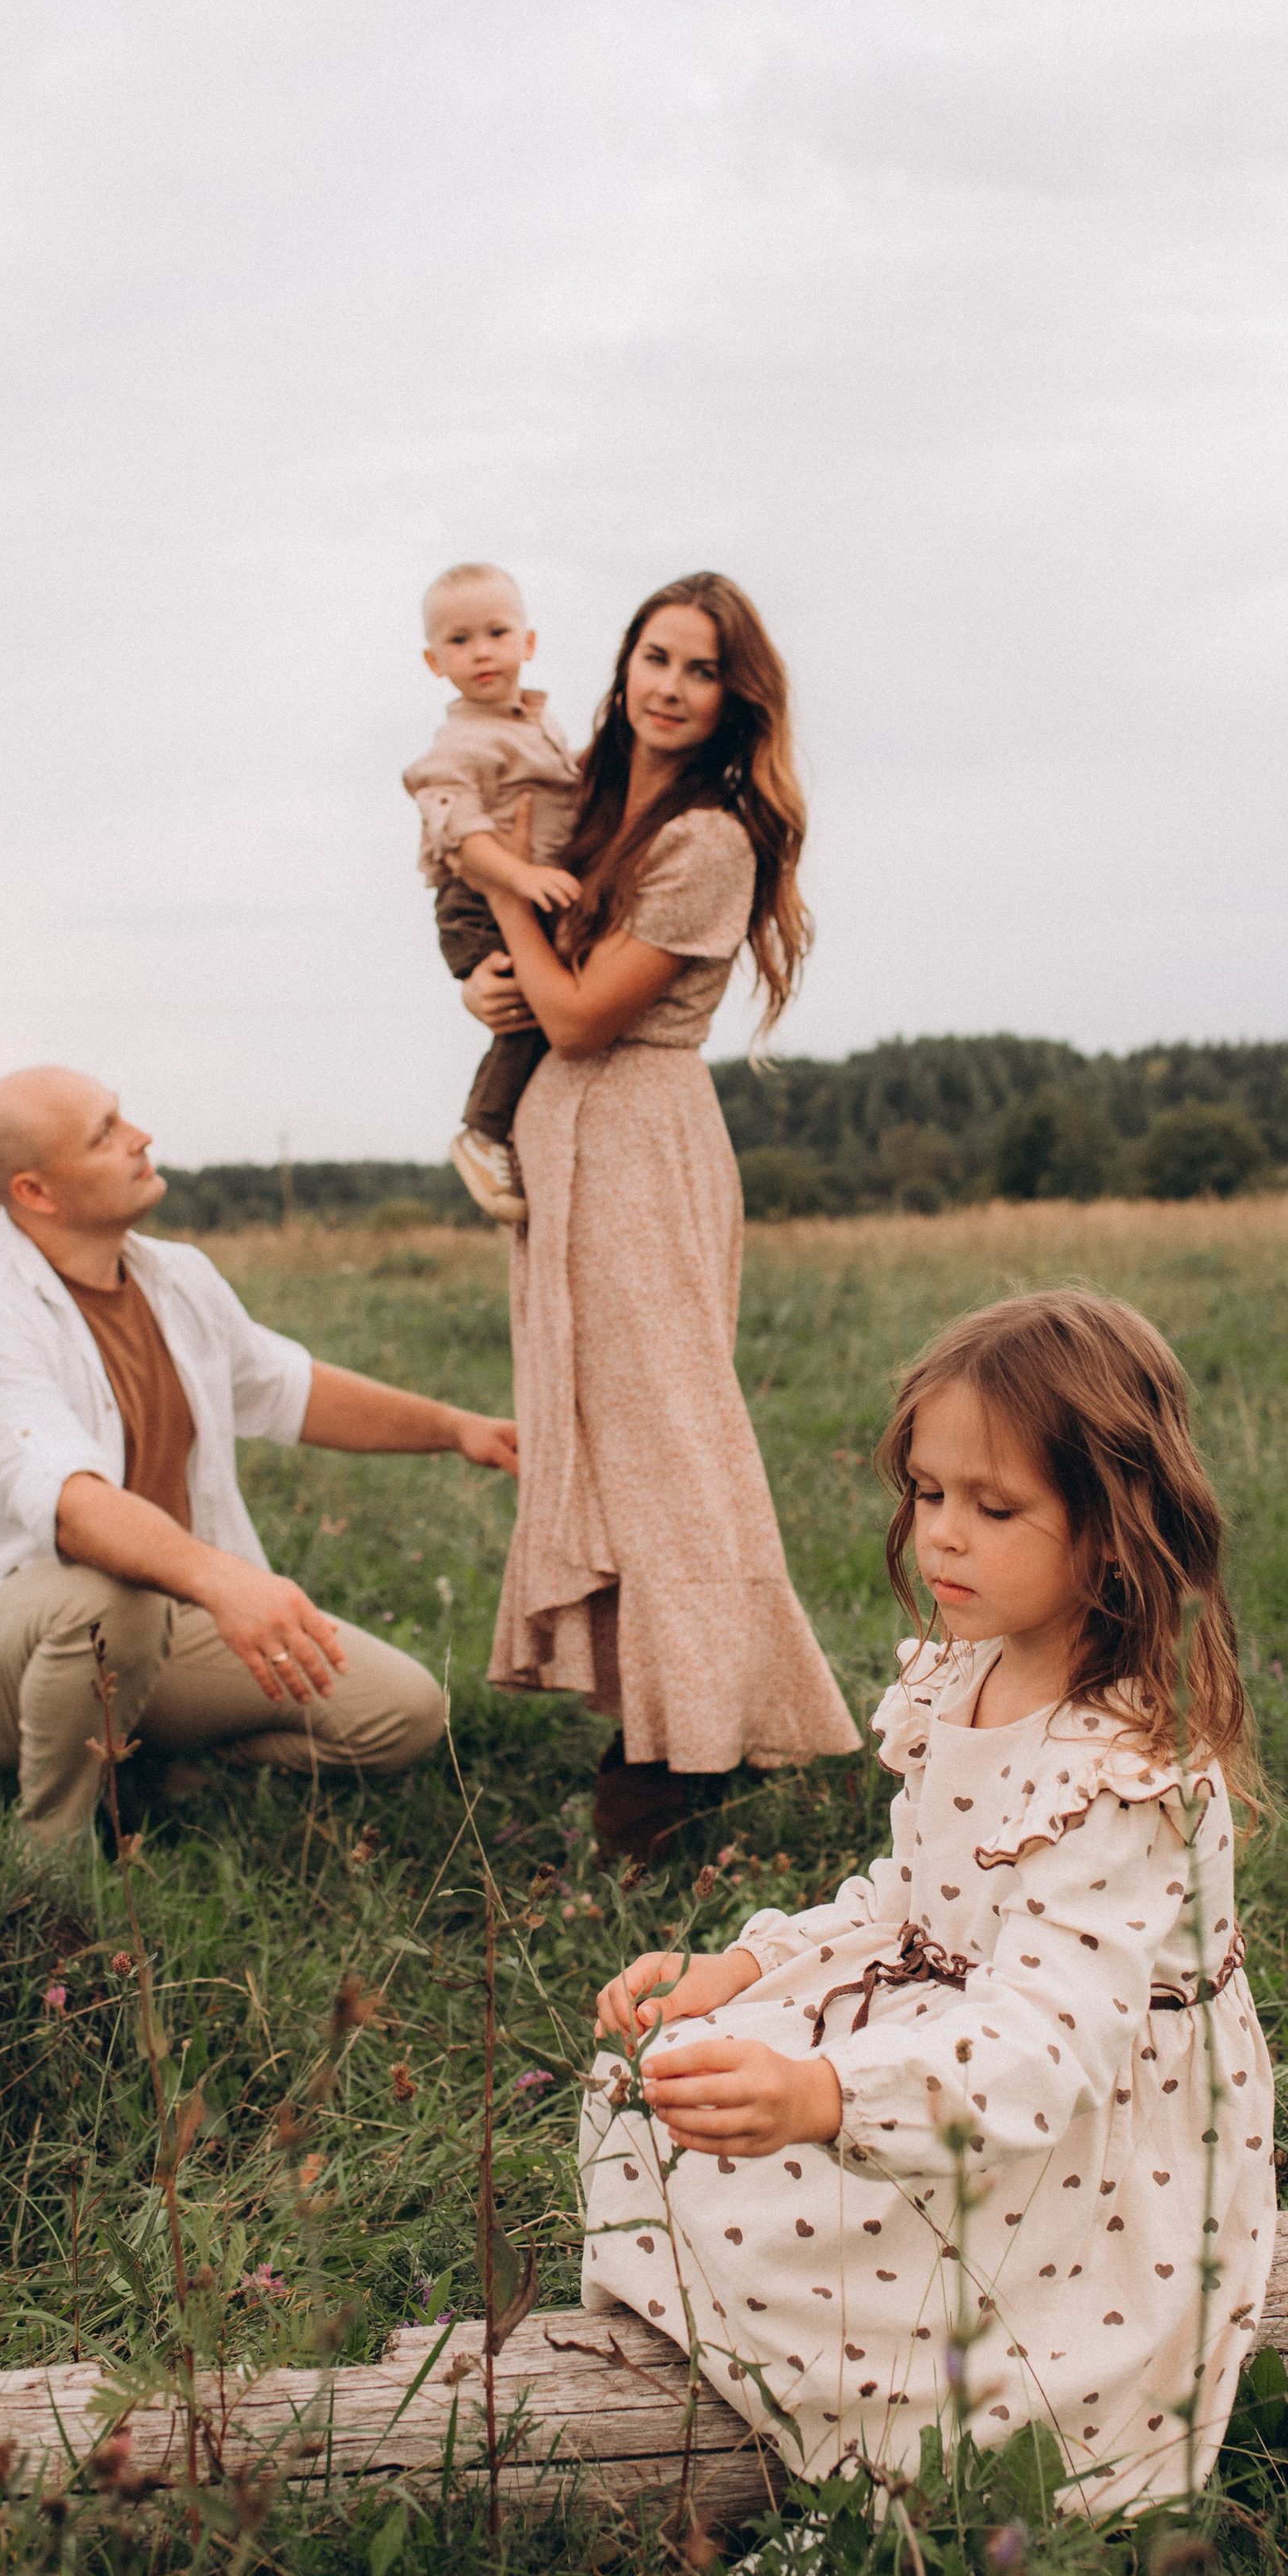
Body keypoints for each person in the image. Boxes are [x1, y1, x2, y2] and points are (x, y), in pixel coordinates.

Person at [579, 1289, 1276, 2516]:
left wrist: (827, 2093)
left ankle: (873, 2492)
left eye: (994, 1508)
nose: (942, 1536)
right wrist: (737, 1974)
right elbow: (913, 1898)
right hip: (964, 2041)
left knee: (817, 2228)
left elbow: (1045, 2043)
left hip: (1072, 2129)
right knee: (664, 2083)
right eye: (928, 1493)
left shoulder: (1122, 1774)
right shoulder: (971, 1672)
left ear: (1112, 1531)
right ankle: (771, 2412)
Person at [460, 571, 859, 1858]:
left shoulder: (710, 840)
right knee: (601, 1442)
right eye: (656, 656)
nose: (671, 687)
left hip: (636, 1141)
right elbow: (529, 978)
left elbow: (580, 1013)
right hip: (563, 1141)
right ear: (623, 661)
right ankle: (658, 1728)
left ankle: (693, 1757)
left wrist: (515, 915)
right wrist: (487, 974)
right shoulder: (579, 799)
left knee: (673, 1454)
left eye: (701, 670)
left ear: (735, 699)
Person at [0, 1065, 518, 1846]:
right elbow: (73, 1507)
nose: (141, 1137)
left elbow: (289, 1388)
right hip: (0, 1654)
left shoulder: (174, 1276)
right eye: (106, 1134)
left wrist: (458, 1429)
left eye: (122, 1118)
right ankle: (45, 1863)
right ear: (36, 1193)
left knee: (402, 1714)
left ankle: (151, 1763)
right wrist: (226, 1582)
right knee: (107, 1598)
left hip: (159, 1618)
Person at [402, 561, 581, 1225]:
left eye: (496, 632)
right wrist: (521, 878)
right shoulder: (460, 742)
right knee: (526, 1007)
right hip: (476, 900)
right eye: (458, 640)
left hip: (518, 891)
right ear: (433, 660)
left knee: (542, 1003)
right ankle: (484, 1131)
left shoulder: (540, 725)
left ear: (527, 644)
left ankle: (516, 1130)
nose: (480, 651)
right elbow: (459, 831)